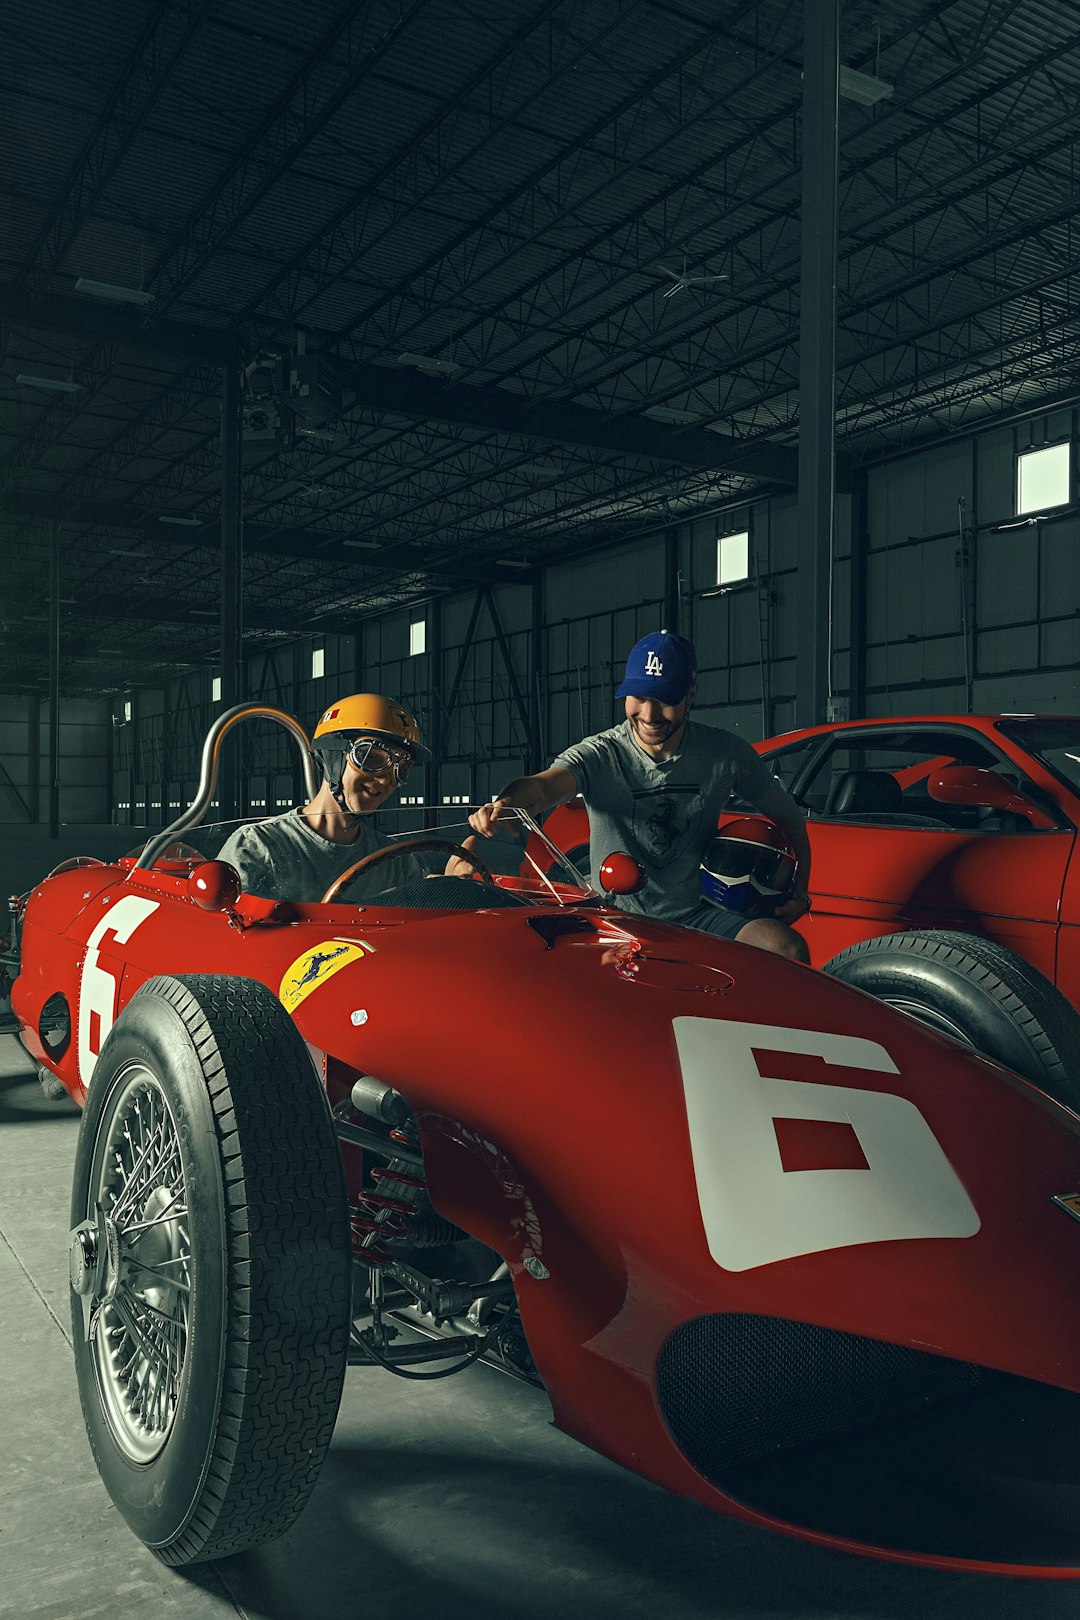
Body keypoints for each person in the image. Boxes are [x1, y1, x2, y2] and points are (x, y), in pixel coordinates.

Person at [469, 631, 811, 961]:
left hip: (697, 912)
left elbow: (789, 816)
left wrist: (800, 891)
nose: (649, 715)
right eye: (640, 698)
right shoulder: (601, 754)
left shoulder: (725, 754)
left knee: (787, 950)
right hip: (611, 916)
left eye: (665, 700)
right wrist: (506, 802)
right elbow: (543, 787)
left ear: (691, 693)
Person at [218, 693, 430, 903]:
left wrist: (449, 885)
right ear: (332, 755)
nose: (385, 781)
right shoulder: (258, 848)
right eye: (370, 757)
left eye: (400, 768)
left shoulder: (395, 861)